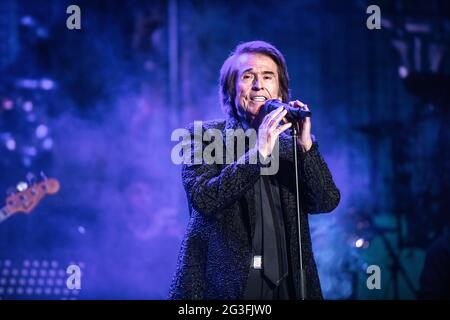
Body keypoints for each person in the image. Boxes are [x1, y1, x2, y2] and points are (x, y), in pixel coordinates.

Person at [169, 40, 340, 300]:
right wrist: (258, 153)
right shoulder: (202, 135)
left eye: (268, 77)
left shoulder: (292, 145)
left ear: (281, 92)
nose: (259, 85)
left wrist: (306, 148)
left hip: (290, 286)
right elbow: (204, 198)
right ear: (231, 90)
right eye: (248, 76)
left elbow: (326, 201)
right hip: (226, 287)